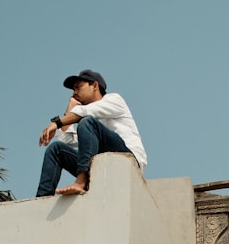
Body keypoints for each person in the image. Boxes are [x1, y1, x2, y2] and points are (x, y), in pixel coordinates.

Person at [36, 69, 147, 197]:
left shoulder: (114, 100)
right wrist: (71, 106)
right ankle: (42, 198)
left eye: (78, 87)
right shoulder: (86, 127)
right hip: (101, 167)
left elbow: (86, 113)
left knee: (87, 122)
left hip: (128, 162)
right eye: (73, 90)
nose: (75, 92)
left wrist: (56, 123)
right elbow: (65, 140)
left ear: (94, 85)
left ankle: (81, 181)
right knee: (56, 149)